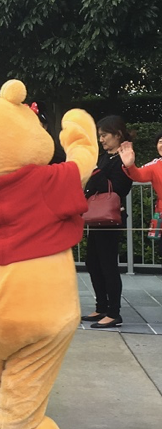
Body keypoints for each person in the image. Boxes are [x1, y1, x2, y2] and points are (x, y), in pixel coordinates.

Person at [82, 115, 133, 329]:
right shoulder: (105, 157)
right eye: (100, 135)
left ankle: (113, 313)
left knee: (108, 265)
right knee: (92, 262)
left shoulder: (124, 157)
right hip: (97, 218)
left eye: (104, 135)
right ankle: (101, 306)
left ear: (117, 134)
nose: (101, 139)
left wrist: (95, 172)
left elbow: (118, 188)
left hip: (111, 219)